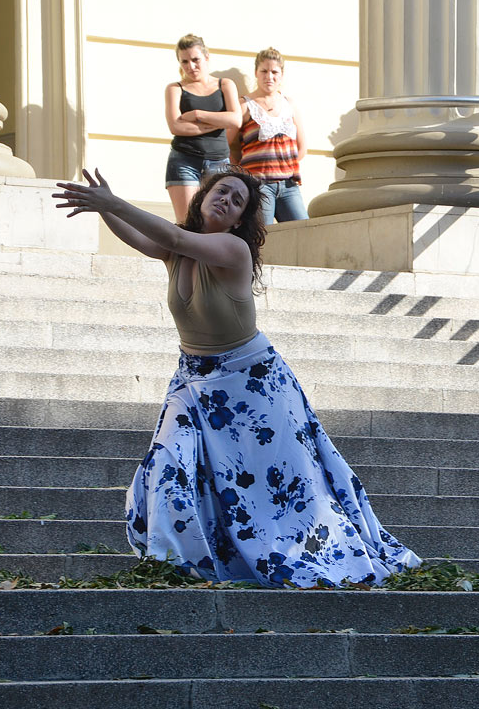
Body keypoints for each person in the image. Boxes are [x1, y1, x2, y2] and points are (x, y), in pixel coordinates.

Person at [52, 168, 420, 587]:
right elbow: (144, 238)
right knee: (167, 463)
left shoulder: (233, 249)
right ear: (203, 197)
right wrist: (102, 205)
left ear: (238, 221)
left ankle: (285, 555)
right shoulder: (177, 248)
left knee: (273, 490)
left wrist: (112, 202)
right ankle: (179, 561)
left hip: (252, 385)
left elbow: (172, 238)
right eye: (220, 191)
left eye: (236, 201)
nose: (225, 199)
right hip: (193, 381)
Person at [164, 34, 242, 223]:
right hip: (184, 161)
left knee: (215, 222)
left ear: (206, 57)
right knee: (187, 222)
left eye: (195, 59)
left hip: (219, 162)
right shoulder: (175, 89)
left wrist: (198, 115)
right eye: (185, 61)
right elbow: (176, 126)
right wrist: (218, 122)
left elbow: (235, 120)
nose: (190, 66)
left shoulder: (225, 85)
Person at [229, 48, 308, 224]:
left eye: (274, 72)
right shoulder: (245, 105)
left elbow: (302, 147)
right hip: (259, 185)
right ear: (256, 73)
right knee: (263, 238)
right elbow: (226, 144)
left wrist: (284, 165)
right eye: (264, 71)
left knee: (305, 232)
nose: (269, 76)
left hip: (289, 186)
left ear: (281, 75)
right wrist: (243, 173)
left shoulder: (289, 104)